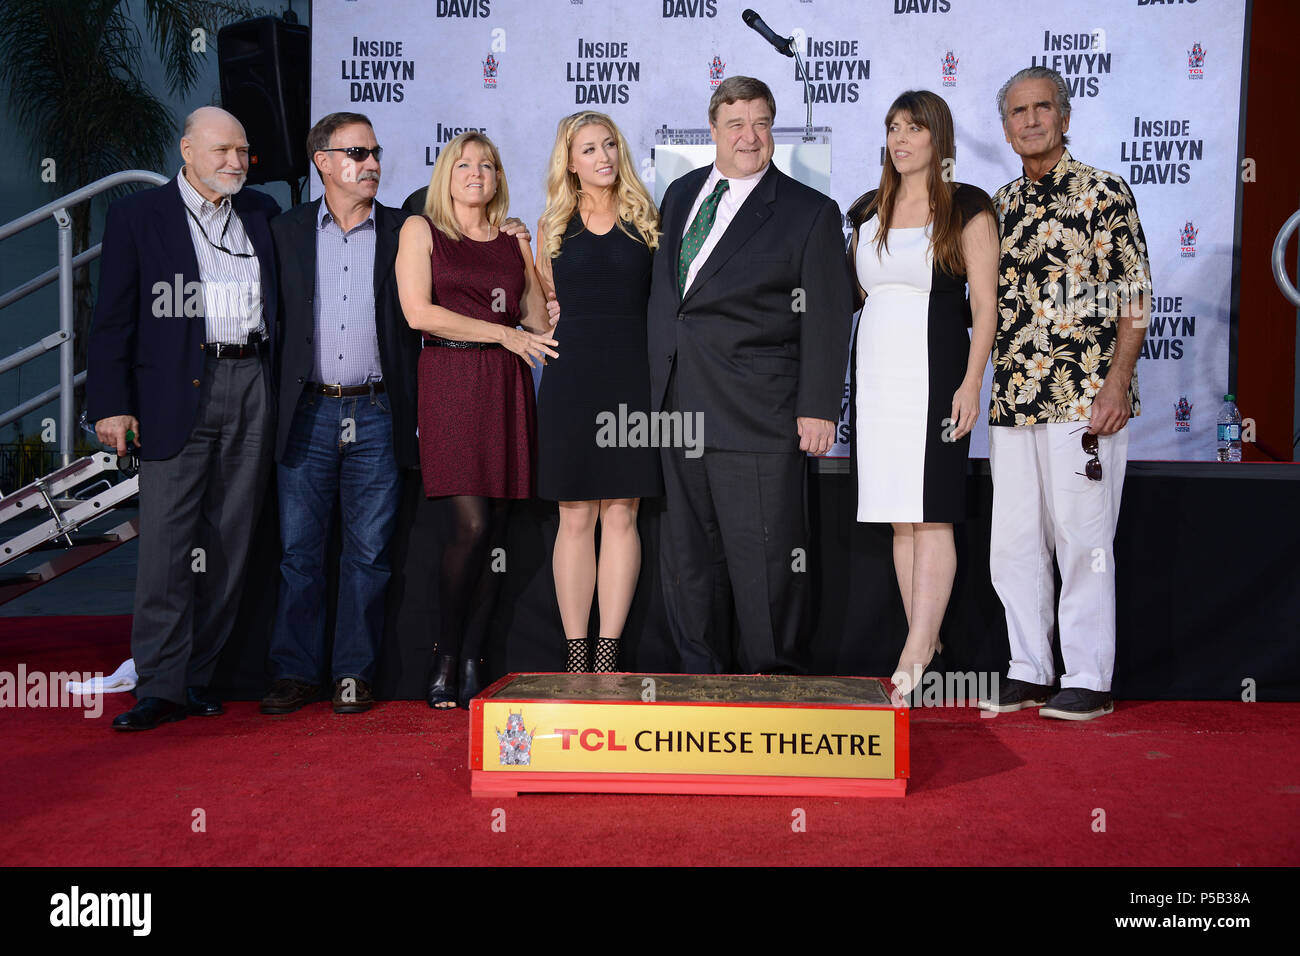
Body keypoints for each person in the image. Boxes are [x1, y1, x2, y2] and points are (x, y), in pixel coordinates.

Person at [646, 76, 853, 674]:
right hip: (676, 411)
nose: (749, 136)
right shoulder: (681, 194)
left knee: (765, 560)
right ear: (712, 130)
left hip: (759, 413)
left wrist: (819, 405)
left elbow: (828, 316)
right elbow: (670, 300)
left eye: (761, 123)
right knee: (687, 560)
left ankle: (772, 686)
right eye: (735, 124)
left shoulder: (808, 212)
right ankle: (697, 681)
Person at [86, 106, 279, 730]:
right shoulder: (138, 216)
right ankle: (161, 685)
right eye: (223, 150)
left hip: (253, 381)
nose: (235, 162)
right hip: (175, 393)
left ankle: (201, 676)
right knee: (168, 544)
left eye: (244, 152)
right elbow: (112, 318)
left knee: (231, 538)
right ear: (187, 150)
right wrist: (110, 404)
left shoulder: (263, 214)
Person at [976, 66, 1151, 721]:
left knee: (1084, 539)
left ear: (1064, 116)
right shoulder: (997, 206)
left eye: (1041, 107)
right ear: (1006, 126)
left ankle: (1088, 677)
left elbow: (1135, 296)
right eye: (1017, 111)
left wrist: (1117, 383)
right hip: (1013, 400)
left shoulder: (1105, 192)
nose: (1029, 120)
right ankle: (1029, 669)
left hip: (1084, 400)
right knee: (1014, 542)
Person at [259, 112, 421, 716]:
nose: (372, 163)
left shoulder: (406, 230)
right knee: (300, 552)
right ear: (322, 161)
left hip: (378, 412)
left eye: (376, 151)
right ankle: (294, 672)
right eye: (356, 153)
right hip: (307, 412)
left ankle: (354, 672)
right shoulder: (284, 231)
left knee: (369, 553)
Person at [395, 131, 556, 708]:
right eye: (464, 164)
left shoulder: (510, 238)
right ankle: (443, 654)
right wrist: (501, 332)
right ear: (446, 173)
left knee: (498, 533)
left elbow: (536, 320)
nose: (476, 173)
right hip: (451, 382)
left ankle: (472, 662)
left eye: (487, 165)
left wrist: (527, 252)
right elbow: (420, 313)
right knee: (470, 526)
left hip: (507, 387)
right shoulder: (421, 229)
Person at [845, 91, 998, 698]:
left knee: (932, 513)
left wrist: (970, 381)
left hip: (936, 371)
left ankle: (914, 653)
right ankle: (923, 639)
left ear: (940, 138)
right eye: (892, 129)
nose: (901, 139)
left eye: (914, 128)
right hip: (877, 375)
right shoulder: (866, 208)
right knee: (900, 518)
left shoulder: (968, 206)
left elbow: (984, 307)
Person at [534, 111, 663, 674]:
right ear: (569, 161)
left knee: (622, 512)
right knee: (574, 513)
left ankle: (608, 652)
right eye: (588, 149)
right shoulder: (551, 226)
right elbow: (539, 308)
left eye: (609, 144)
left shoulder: (647, 218)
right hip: (571, 378)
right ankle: (574, 652)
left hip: (633, 379)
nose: (603, 157)